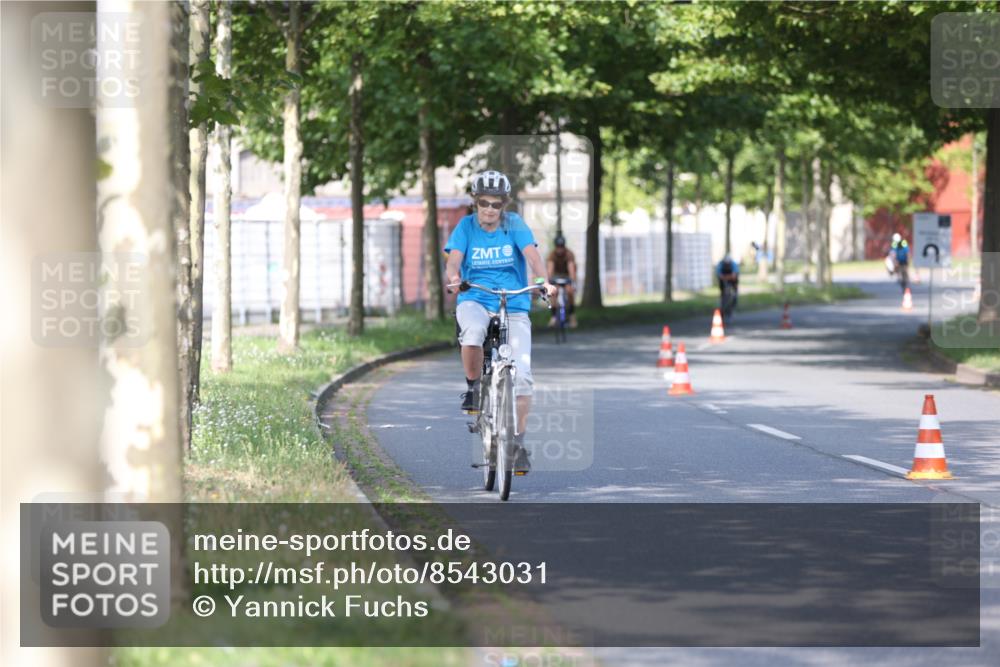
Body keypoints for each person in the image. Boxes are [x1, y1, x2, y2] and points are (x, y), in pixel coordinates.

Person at [444, 170, 556, 474]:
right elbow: (454, 259)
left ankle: (517, 444)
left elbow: (532, 256)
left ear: (504, 205)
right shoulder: (466, 227)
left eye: (496, 204)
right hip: (476, 298)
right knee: (473, 333)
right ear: (475, 202)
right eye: (484, 203)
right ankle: (473, 388)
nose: (490, 209)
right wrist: (454, 279)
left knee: (524, 377)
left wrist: (542, 281)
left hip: (514, 301)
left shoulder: (515, 225)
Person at [546, 234, 578, 328]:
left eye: (561, 247)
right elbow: (550, 270)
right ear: (555, 247)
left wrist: (572, 282)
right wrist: (549, 282)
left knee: (569, 291)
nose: (560, 249)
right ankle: (554, 317)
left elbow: (571, 269)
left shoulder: (569, 254)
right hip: (556, 277)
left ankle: (572, 316)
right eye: (558, 247)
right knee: (553, 293)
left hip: (566, 276)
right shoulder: (552, 255)